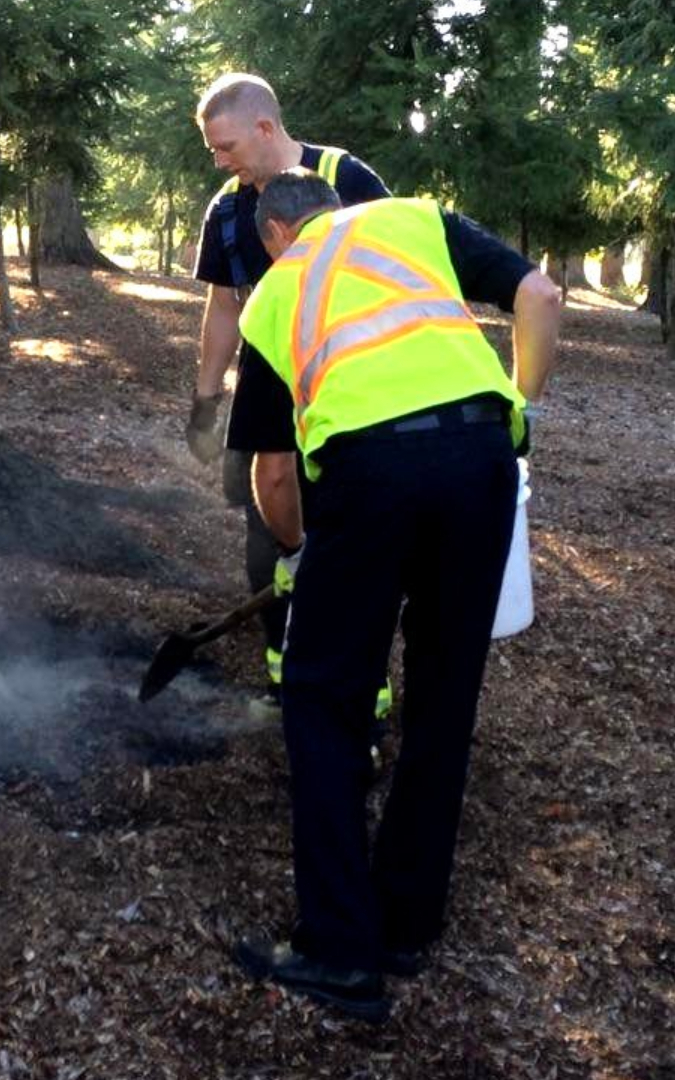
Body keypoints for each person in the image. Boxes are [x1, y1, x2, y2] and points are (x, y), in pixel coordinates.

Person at [227, 170, 560, 1021]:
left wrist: (300, 553)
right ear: (337, 214)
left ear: (275, 234)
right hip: (482, 460)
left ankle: (340, 951)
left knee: (322, 698)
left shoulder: (274, 295)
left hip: (368, 473)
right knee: (445, 695)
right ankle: (409, 922)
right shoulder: (413, 221)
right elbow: (539, 293)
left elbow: (271, 475)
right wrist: (518, 408)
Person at [186, 73, 390, 719]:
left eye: (226, 147)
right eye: (213, 151)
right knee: (264, 527)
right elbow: (223, 308)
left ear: (266, 129)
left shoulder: (350, 180)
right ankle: (285, 677)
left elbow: (397, 273)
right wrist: (205, 399)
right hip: (270, 375)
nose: (220, 161)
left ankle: (364, 692)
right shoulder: (226, 210)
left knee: (348, 531)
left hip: (353, 380)